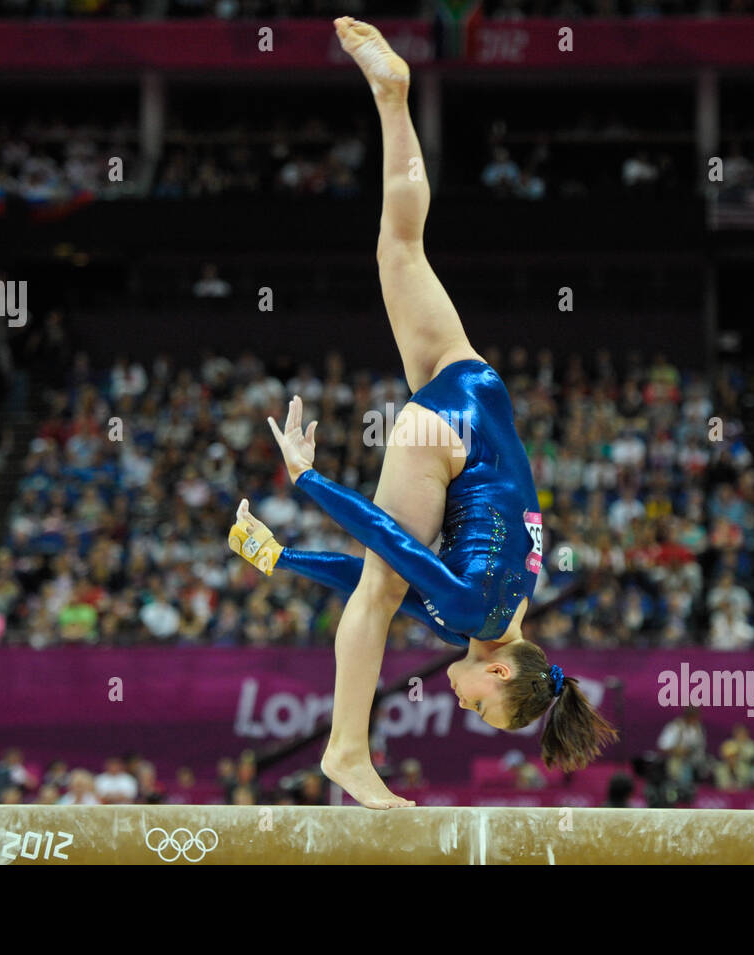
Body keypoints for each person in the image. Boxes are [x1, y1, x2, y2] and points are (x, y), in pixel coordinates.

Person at [228, 18, 615, 809]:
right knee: (379, 592)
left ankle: (393, 100)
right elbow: (391, 545)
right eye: (478, 701)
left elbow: (390, 569)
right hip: (449, 438)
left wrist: (281, 559)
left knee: (400, 248)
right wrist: (310, 481)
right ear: (501, 669)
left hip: (474, 385)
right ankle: (345, 751)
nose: (460, 699)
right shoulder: (478, 609)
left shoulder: (495, 611)